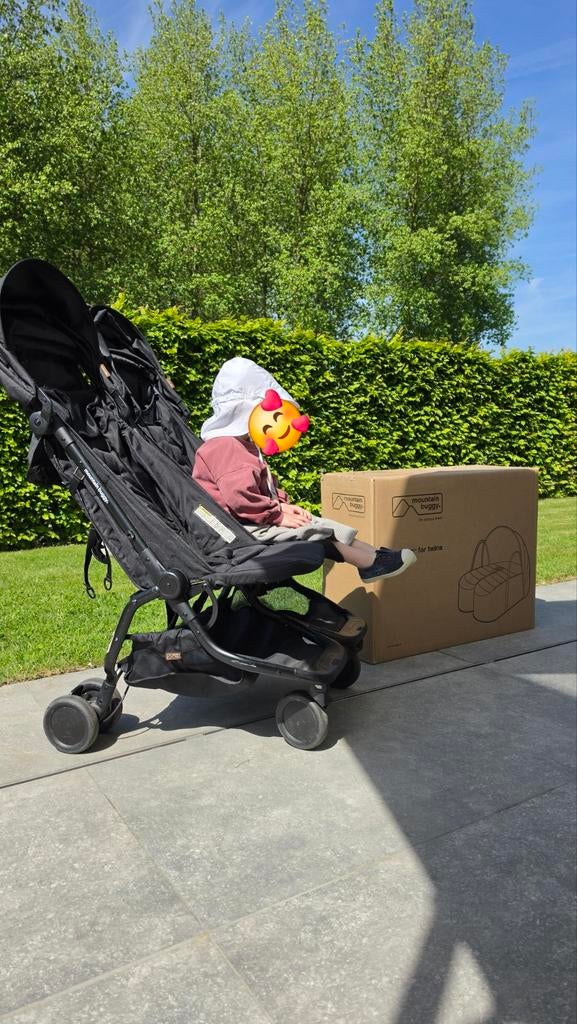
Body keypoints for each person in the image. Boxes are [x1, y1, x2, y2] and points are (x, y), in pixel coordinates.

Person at [193, 357, 416, 582]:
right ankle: (368, 563)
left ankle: (374, 555)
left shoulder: (242, 446)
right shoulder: (225, 446)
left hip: (250, 521)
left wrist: (282, 506)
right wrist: (277, 515)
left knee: (317, 522)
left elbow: (259, 489)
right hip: (235, 531)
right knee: (314, 533)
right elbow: (240, 498)